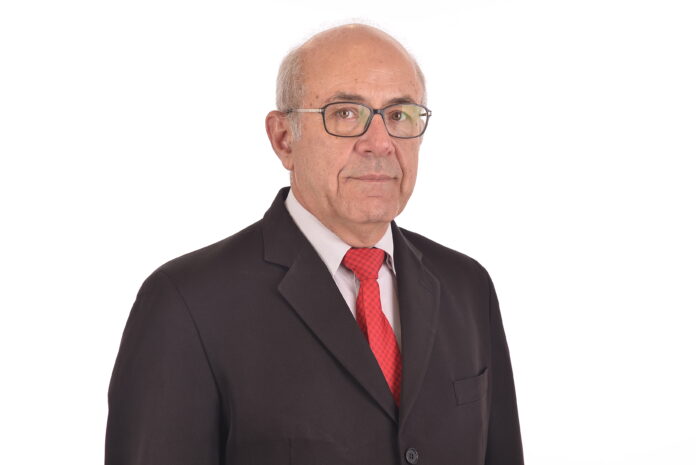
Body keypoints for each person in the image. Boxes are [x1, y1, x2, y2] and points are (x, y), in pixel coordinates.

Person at [105, 23, 524, 465]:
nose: (380, 143)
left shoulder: (467, 286)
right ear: (284, 138)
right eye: (345, 114)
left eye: (399, 115)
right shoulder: (186, 303)